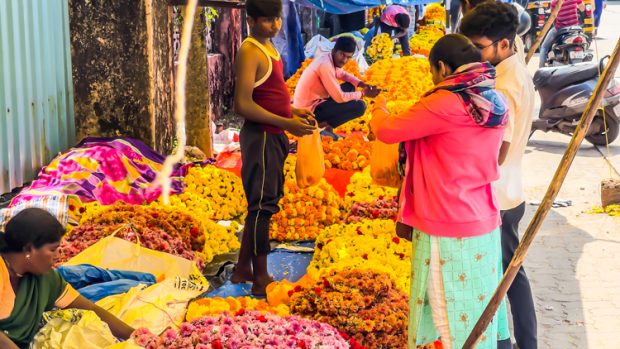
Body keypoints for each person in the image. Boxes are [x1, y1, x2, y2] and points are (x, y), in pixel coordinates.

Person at [370, 33, 510, 349]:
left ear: (443, 68)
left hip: (447, 227)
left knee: (450, 323)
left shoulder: (444, 102)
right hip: (483, 223)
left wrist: (378, 106)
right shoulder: (493, 98)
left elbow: (387, 130)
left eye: (433, 72)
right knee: (477, 319)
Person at [460, 3, 538, 349]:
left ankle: (513, 344)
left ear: (504, 44)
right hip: (510, 190)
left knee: (501, 279)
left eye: (479, 47)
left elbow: (498, 151)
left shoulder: (503, 86)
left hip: (499, 195)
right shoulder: (514, 66)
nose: (474, 55)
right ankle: (524, 342)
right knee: (509, 275)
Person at [230, 0, 315, 296]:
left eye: (276, 19)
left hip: (274, 134)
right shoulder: (250, 51)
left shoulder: (271, 50)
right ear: (250, 20)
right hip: (261, 137)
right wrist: (285, 122)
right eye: (267, 20)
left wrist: (292, 112)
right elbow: (242, 104)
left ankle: (243, 267)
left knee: (264, 202)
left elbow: (268, 96)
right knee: (261, 209)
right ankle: (261, 277)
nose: (275, 25)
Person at [0, 208, 134, 349]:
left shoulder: (46, 279)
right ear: (29, 249)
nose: (58, 256)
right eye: (52, 249)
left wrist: (136, 335)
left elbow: (90, 308)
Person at [293, 36, 379, 129]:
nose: (344, 60)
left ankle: (325, 122)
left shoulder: (328, 57)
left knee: (350, 86)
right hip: (307, 112)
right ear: (334, 50)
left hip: (318, 101)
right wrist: (363, 93)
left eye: (348, 57)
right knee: (360, 107)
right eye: (342, 54)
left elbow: (342, 74)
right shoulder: (325, 65)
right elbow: (339, 98)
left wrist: (361, 84)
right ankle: (324, 124)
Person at [539, 0, 585, 67]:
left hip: (560, 28)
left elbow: (553, 18)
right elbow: (582, 8)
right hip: (574, 28)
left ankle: (541, 68)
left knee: (544, 47)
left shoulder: (554, 2)